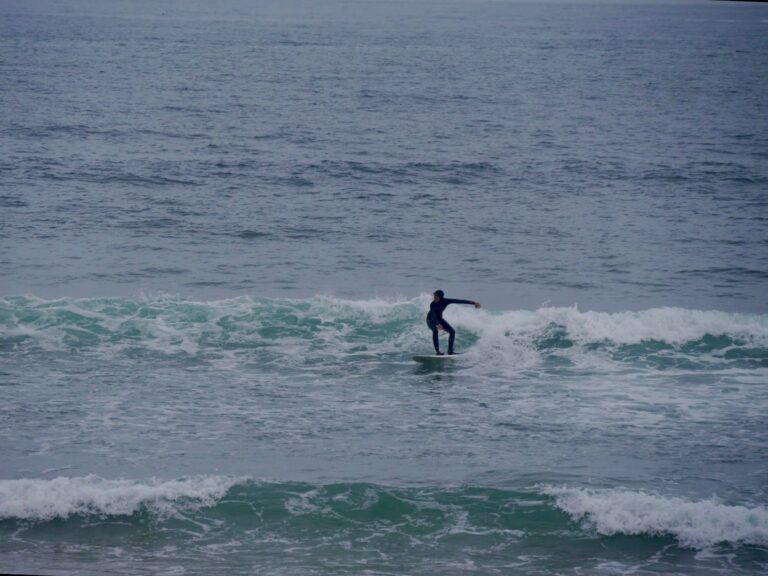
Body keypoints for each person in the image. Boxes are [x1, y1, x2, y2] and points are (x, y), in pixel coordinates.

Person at [426, 290, 481, 355]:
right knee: (435, 331)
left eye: (436, 296)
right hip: (430, 319)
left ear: (440, 297)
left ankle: (450, 351)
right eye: (434, 296)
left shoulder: (445, 301)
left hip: (440, 319)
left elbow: (459, 301)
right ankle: (438, 352)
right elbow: (433, 315)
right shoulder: (432, 304)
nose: (434, 297)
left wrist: (474, 303)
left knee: (452, 332)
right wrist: (437, 324)